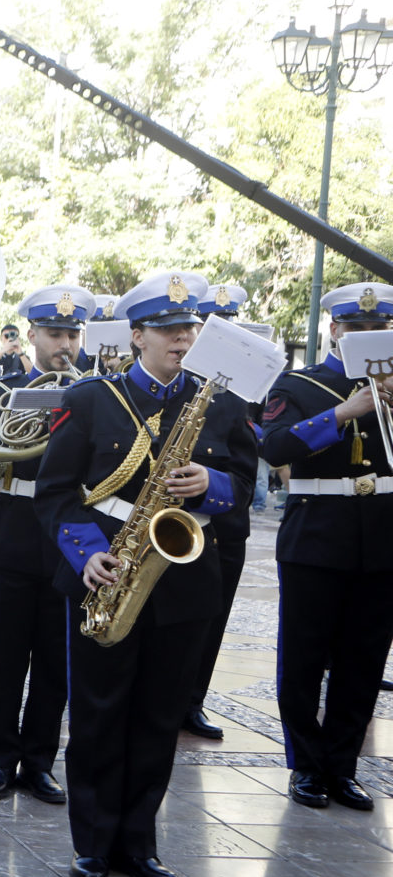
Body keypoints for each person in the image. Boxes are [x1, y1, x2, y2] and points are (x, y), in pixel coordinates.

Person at [37, 271, 254, 877]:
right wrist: (87, 556)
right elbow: (54, 495)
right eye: (168, 330)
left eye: (189, 329)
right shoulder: (89, 400)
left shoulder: (222, 402)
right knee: (100, 714)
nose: (182, 340)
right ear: (138, 336)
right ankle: (94, 845)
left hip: (183, 577)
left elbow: (244, 483)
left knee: (160, 718)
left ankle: (140, 842)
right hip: (109, 568)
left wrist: (210, 486)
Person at [259, 281, 393, 811]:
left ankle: (343, 766)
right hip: (317, 532)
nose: (366, 336)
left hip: (382, 534)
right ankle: (306, 765)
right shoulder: (300, 384)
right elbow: (275, 447)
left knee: (364, 658)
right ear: (334, 331)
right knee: (305, 656)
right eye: (356, 328)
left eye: (377, 329)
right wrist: (345, 412)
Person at [0, 285, 92, 805]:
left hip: (68, 535)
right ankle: (0, 759)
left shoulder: (95, 394)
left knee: (54, 662)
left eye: (71, 334)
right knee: (7, 659)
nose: (63, 344)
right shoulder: (0, 389)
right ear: (32, 336)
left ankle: (40, 761)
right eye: (54, 334)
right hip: (14, 532)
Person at [182, 280, 255, 739]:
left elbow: (246, 474)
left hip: (220, 532)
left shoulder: (233, 398)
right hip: (160, 529)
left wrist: (212, 486)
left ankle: (192, 701)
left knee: (210, 623)